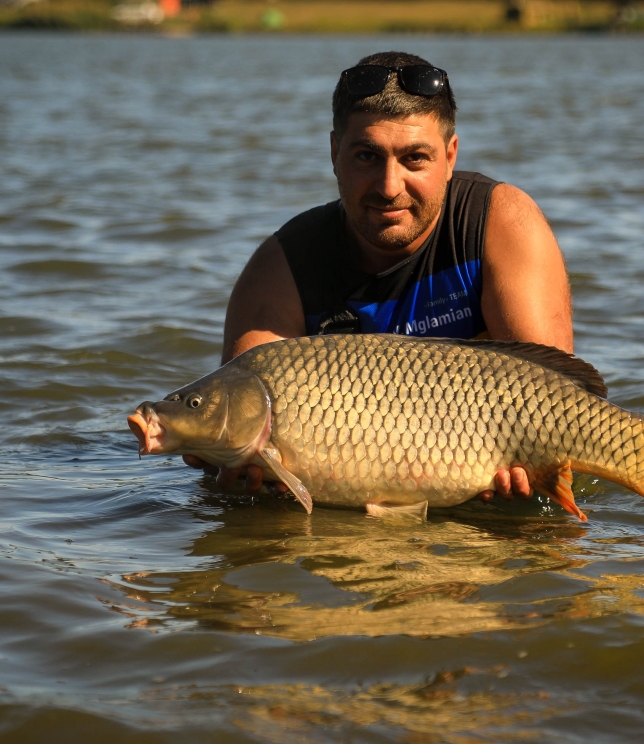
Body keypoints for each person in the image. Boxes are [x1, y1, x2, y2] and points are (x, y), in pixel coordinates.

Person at [191, 50, 573, 503]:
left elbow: (557, 401)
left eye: (415, 158)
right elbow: (234, 429)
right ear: (335, 153)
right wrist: (234, 468)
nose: (390, 186)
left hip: (484, 488)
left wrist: (537, 474)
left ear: (450, 156)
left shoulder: (499, 223)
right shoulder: (280, 269)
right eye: (367, 156)